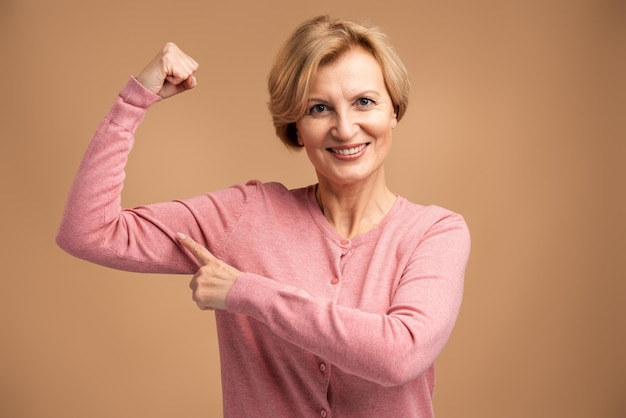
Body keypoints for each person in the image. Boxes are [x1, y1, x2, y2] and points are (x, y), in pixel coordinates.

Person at [57, 15, 470, 417]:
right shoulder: (246, 216)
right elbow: (88, 232)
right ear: (295, 127)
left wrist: (245, 292)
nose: (345, 129)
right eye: (319, 108)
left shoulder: (435, 233)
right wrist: (133, 102)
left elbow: (399, 355)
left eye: (364, 102)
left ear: (394, 110)